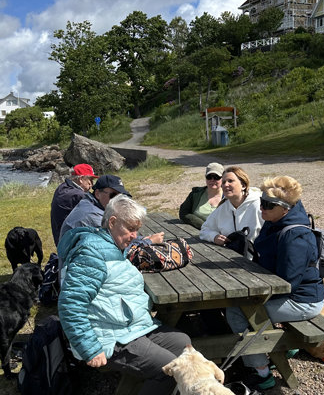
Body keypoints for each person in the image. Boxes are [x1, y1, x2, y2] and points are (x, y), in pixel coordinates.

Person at [58, 195, 190, 395]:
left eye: (137, 230)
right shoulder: (91, 253)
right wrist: (90, 348)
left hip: (129, 327)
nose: (135, 235)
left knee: (183, 343)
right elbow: (71, 303)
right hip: (108, 337)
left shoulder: (110, 245)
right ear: (112, 222)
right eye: (131, 229)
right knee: (169, 370)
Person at [225, 176, 324, 391]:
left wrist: (252, 296)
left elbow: (288, 283)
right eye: (261, 202)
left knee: (238, 311)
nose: (262, 208)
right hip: (288, 294)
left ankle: (261, 374)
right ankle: (273, 348)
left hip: (302, 300)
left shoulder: (295, 235)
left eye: (268, 205)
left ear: (286, 208)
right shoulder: (274, 223)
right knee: (243, 308)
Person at [199, 166, 263, 259]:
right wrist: (214, 236)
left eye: (230, 181)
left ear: (243, 185)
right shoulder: (223, 208)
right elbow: (204, 230)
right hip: (231, 260)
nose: (225, 185)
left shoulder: (258, 205)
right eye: (224, 182)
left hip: (258, 263)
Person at [50, 164, 97, 247]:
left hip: (61, 238)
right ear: (81, 179)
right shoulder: (77, 195)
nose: (92, 184)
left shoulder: (63, 187)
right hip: (71, 244)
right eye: (90, 180)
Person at [179, 162, 224, 229]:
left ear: (223, 178)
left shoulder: (229, 196)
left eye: (216, 177)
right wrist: (202, 225)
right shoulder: (196, 193)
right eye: (209, 177)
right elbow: (183, 213)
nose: (212, 180)